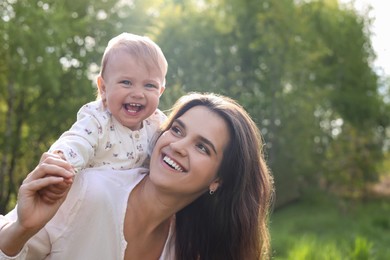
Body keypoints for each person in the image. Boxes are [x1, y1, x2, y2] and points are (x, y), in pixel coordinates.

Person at [0, 92, 274, 259]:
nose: (177, 146)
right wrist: (22, 229)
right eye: (177, 130)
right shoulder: (85, 190)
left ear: (218, 180)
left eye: (202, 147)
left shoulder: (190, 247)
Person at [49, 32, 167, 173]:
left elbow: (173, 146)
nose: (138, 94)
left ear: (160, 92)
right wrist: (62, 159)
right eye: (126, 82)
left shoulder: (157, 123)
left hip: (133, 193)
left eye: (149, 85)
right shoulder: (97, 119)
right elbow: (78, 140)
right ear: (104, 88)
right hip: (93, 192)